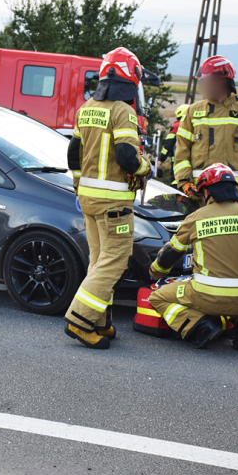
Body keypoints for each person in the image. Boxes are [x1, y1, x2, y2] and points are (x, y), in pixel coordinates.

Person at [64, 47, 152, 349]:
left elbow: (73, 153)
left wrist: (79, 185)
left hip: (88, 200)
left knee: (99, 262)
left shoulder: (86, 107)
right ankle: (79, 320)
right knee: (114, 263)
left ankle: (100, 321)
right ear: (131, 79)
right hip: (113, 203)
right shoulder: (123, 112)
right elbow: (128, 156)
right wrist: (146, 166)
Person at [148, 163, 238, 350]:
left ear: (207, 192)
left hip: (206, 296)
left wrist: (155, 273)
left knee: (158, 297)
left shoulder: (196, 217)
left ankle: (200, 327)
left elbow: (170, 254)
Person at [173, 56, 238, 207]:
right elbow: (181, 151)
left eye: (206, 82)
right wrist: (184, 182)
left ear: (222, 81)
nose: (203, 86)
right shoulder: (193, 111)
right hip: (200, 194)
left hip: (234, 194)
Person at [156, 103, 189, 188]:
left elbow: (168, 144)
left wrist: (161, 160)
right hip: (190, 163)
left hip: (177, 163)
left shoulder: (177, 126)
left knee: (175, 185)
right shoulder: (192, 126)